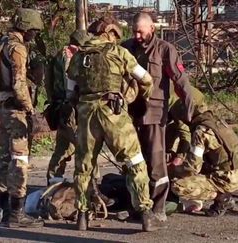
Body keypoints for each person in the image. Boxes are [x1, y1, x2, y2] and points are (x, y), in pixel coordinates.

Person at [67, 16, 165, 232]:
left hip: (86, 114)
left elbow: (70, 90)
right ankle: (146, 214)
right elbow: (146, 78)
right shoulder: (119, 53)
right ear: (111, 33)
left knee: (84, 165)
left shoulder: (79, 56)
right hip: (113, 113)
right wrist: (141, 99)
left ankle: (82, 216)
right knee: (135, 160)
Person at [122, 12, 194, 221]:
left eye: (140, 31)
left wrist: (188, 109)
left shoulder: (165, 50)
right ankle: (138, 206)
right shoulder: (126, 48)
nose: (137, 35)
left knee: (156, 162)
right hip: (131, 114)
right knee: (134, 162)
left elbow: (180, 80)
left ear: (151, 28)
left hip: (154, 114)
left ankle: (158, 208)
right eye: (134, 31)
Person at [0, 8, 45, 228]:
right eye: (34, 29)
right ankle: (16, 214)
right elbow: (19, 83)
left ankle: (3, 211)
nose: (35, 34)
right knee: (19, 161)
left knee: (4, 159)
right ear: (26, 27)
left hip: (3, 107)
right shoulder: (17, 48)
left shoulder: (0, 43)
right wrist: (31, 110)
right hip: (16, 111)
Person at [169, 100, 238, 216]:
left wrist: (172, 170)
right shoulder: (217, 122)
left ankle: (222, 198)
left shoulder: (201, 131)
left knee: (178, 186)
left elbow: (192, 167)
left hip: (228, 178)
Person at [45, 30, 92, 185]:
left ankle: (54, 179)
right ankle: (89, 184)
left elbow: (49, 82)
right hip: (69, 108)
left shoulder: (59, 55)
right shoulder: (69, 56)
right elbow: (70, 85)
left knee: (63, 147)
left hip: (60, 107)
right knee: (83, 146)